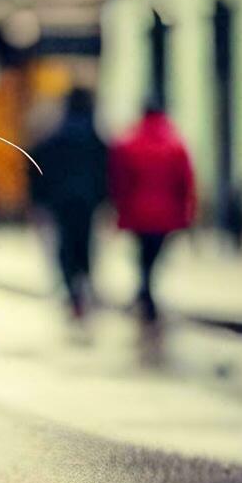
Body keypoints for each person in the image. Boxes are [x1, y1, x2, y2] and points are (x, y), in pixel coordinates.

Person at [109, 99, 196, 323]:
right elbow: (185, 181)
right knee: (154, 254)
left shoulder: (128, 142)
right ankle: (147, 292)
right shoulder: (175, 144)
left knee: (143, 254)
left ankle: (145, 291)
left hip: (137, 211)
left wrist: (119, 208)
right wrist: (188, 211)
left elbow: (119, 181)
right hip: (166, 212)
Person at [31, 87, 107, 320]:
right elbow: (106, 171)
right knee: (85, 242)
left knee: (65, 244)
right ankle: (83, 282)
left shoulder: (55, 136)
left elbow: (38, 166)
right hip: (88, 201)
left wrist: (39, 199)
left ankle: (72, 288)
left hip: (61, 202)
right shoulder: (96, 138)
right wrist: (106, 199)